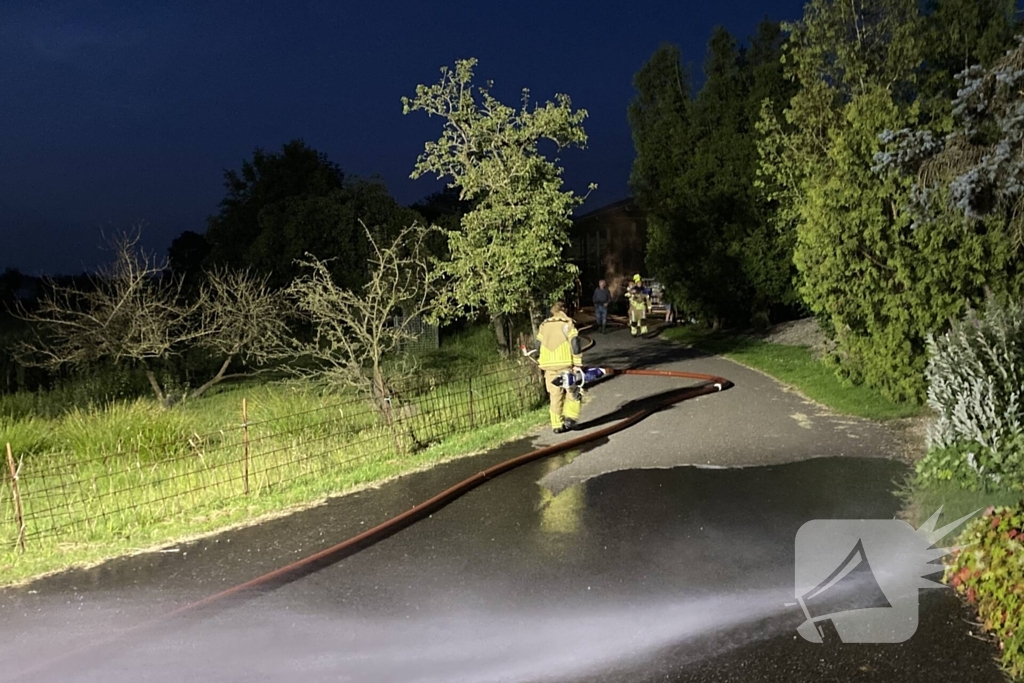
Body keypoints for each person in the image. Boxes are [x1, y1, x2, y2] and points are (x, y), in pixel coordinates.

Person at [535, 301, 583, 433]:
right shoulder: (567, 323)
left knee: (555, 395)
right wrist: (578, 364)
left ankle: (556, 425)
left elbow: (537, 345)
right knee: (573, 390)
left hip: (548, 366)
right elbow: (575, 343)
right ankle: (570, 418)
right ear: (564, 310)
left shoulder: (544, 325)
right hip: (565, 363)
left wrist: (540, 358)